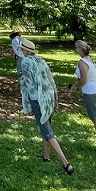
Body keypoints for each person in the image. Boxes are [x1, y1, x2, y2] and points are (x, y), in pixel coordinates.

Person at [19, 39, 74, 174]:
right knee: (46, 125)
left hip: (38, 99)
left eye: (22, 49)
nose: (21, 50)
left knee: (47, 131)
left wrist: (20, 82)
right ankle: (46, 156)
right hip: (48, 97)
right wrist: (55, 97)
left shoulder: (25, 62)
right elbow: (51, 79)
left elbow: (27, 82)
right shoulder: (41, 60)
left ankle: (66, 163)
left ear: (26, 50)